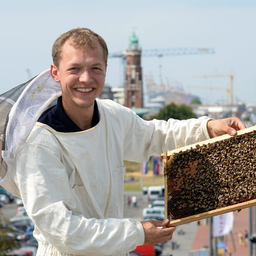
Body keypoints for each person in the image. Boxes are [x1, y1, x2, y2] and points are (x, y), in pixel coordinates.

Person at [1, 27, 245, 256]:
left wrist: (207, 127)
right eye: (74, 69)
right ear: (55, 73)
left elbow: (155, 135)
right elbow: (62, 229)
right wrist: (137, 232)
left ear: (106, 69)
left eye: (95, 68)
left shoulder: (113, 115)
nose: (85, 79)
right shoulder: (37, 144)